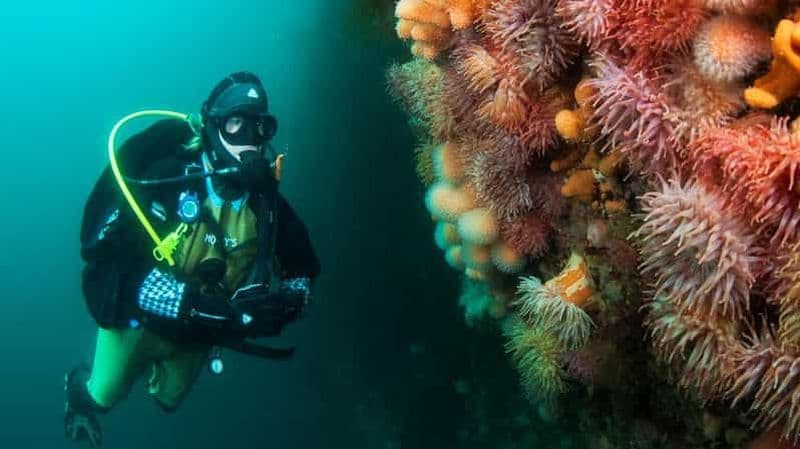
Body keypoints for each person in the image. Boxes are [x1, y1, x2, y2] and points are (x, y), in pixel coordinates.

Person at [64, 72, 321, 448]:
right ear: (214, 127)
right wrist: (202, 308)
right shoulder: (165, 182)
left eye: (259, 127)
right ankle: (77, 396)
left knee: (167, 400)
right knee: (102, 396)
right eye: (236, 124)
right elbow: (119, 266)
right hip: (137, 321)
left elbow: (303, 269)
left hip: (199, 336)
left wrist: (287, 303)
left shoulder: (266, 205)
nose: (249, 142)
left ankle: (157, 379)